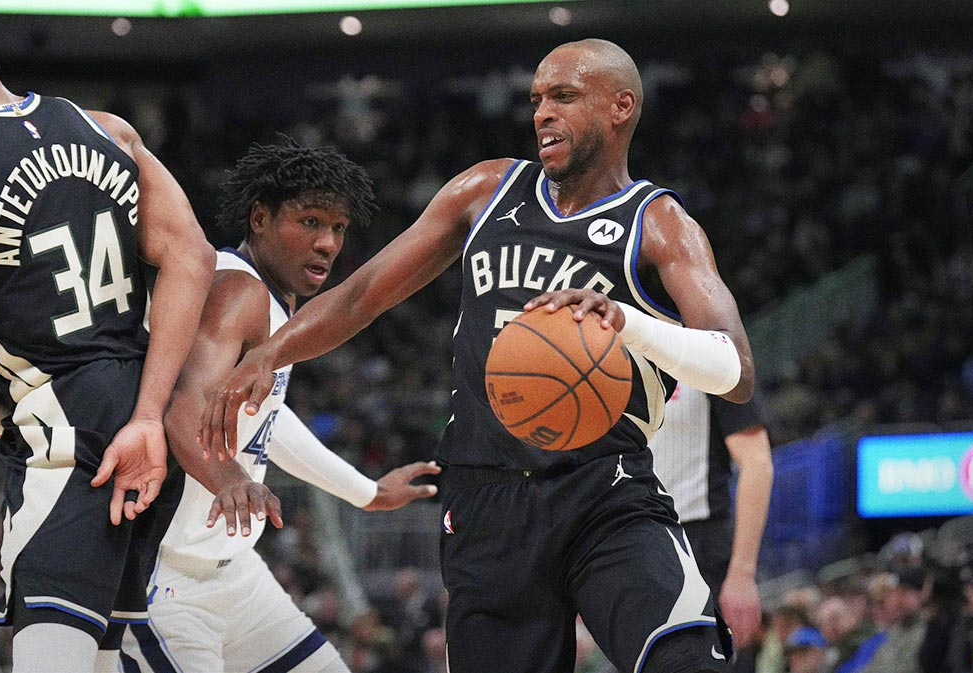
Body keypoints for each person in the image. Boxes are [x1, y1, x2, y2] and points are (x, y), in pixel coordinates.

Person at [203, 38, 754, 673]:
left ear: (620, 108)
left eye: (564, 97)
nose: (543, 112)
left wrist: (630, 323)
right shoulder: (486, 190)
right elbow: (360, 296)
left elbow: (735, 371)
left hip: (603, 488)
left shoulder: (657, 223)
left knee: (685, 660)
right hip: (483, 494)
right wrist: (270, 353)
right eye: (537, 99)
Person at [0, 1, 216, 671]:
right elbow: (193, 256)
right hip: (151, 430)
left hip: (68, 441)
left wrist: (23, 422)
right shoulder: (109, 130)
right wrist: (148, 414)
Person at [116, 139, 441, 673]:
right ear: (260, 219)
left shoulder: (271, 304)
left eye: (337, 228)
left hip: (233, 575)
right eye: (309, 222)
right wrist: (228, 480)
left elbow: (268, 419)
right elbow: (178, 405)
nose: (326, 243)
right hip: (163, 584)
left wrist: (367, 492)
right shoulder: (235, 292)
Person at [648, 384, 773, 652]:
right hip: (634, 546)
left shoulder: (712, 347)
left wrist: (742, 573)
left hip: (698, 549)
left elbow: (757, 463)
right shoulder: (610, 352)